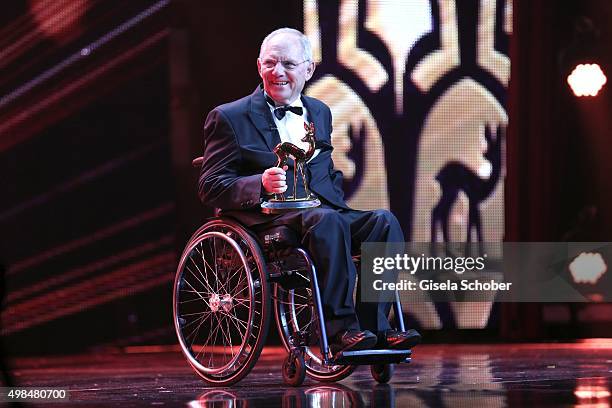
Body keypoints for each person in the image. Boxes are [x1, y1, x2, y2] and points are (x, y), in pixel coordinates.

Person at [199, 27, 420, 354]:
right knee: (326, 222)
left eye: (288, 64)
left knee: (383, 222)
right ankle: (339, 331)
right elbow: (210, 186)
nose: (278, 72)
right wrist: (258, 183)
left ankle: (376, 328)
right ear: (259, 66)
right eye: (270, 63)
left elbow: (322, 169)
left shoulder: (320, 112)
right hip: (271, 223)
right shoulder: (229, 117)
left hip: (323, 212)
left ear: (308, 69)